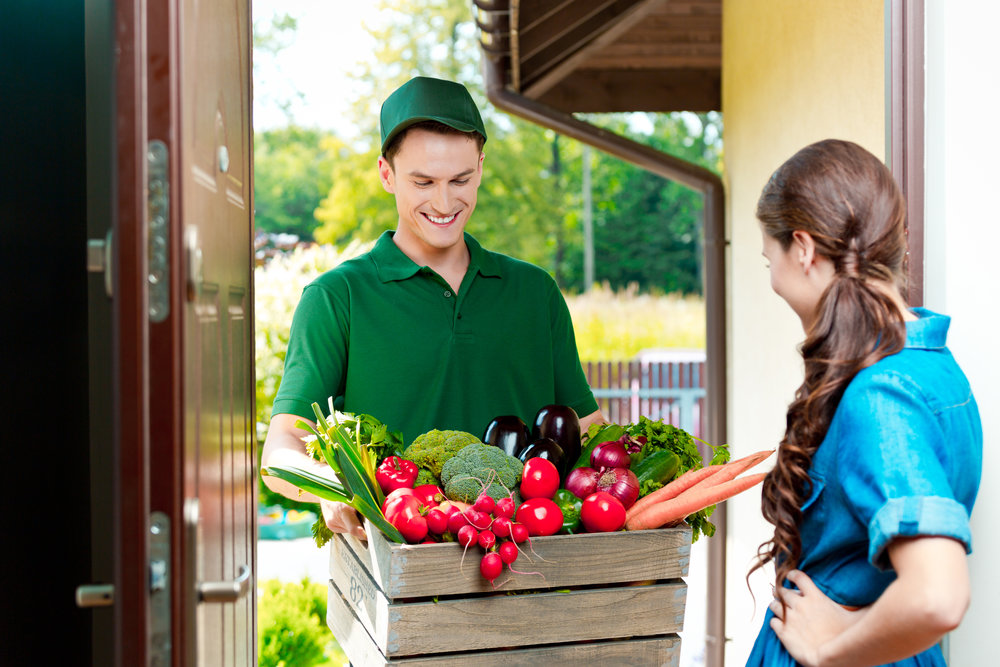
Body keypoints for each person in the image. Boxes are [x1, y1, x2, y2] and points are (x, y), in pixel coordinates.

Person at [260, 76, 604, 539]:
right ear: (386, 174)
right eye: (423, 182)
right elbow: (282, 449)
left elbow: (586, 427)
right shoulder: (337, 298)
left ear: (481, 167)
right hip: (395, 578)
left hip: (532, 567)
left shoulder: (534, 292)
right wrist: (332, 490)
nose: (444, 202)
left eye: (460, 180)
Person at [746, 139, 982, 667]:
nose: (772, 280)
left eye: (770, 258)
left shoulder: (882, 394)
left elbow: (937, 595)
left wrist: (832, 650)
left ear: (803, 248)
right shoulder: (933, 364)